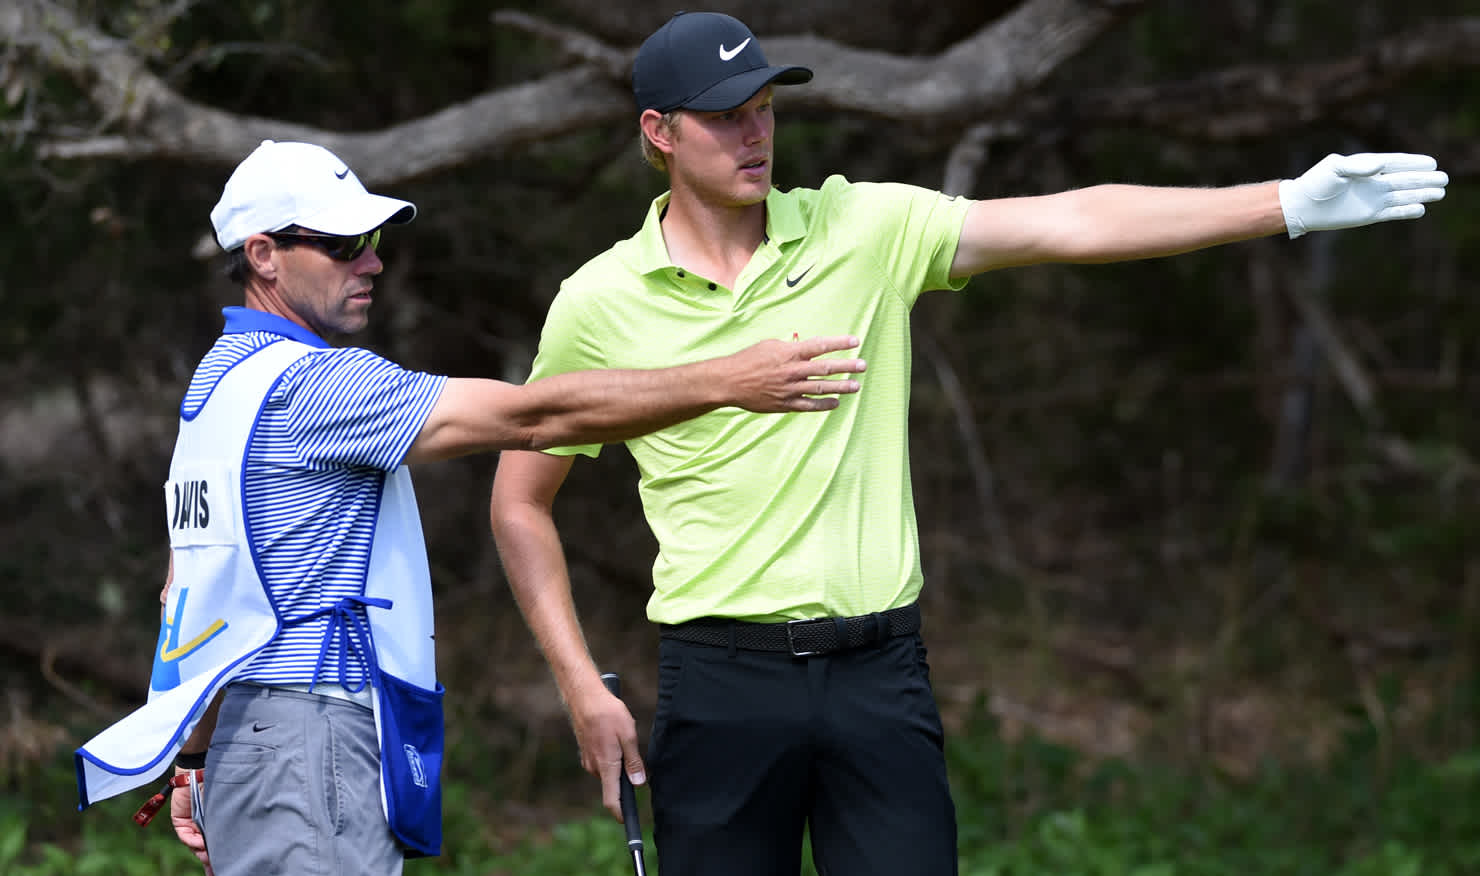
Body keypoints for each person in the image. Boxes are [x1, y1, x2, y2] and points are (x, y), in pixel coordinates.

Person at [487, 10, 1449, 876]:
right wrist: (578, 683)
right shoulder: (601, 300)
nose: (755, 133)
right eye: (725, 113)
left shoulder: (858, 226)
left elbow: (1072, 221)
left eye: (766, 107)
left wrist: (1280, 202)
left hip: (878, 674)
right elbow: (520, 501)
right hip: (719, 679)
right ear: (659, 133)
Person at [73, 138, 868, 876]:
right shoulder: (311, 384)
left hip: (254, 744)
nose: (373, 263)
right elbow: (532, 418)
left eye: (375, 241)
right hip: (309, 746)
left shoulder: (215, 392)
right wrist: (727, 381)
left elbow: (192, 592)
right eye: (344, 245)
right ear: (263, 257)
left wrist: (196, 751)